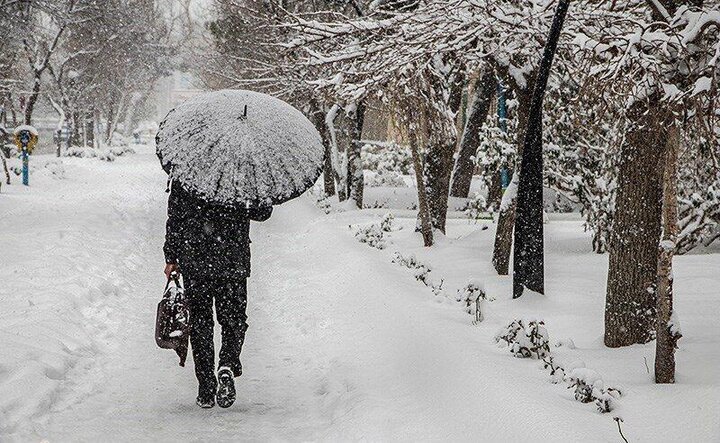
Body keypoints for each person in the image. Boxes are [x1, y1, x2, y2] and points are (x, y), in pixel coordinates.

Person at [163, 181, 272, 408]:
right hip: (232, 260)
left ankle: (205, 387)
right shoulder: (243, 173)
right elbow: (263, 212)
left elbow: (175, 217)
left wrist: (171, 257)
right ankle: (228, 364)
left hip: (194, 258)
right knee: (234, 319)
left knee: (201, 324)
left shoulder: (188, 170)